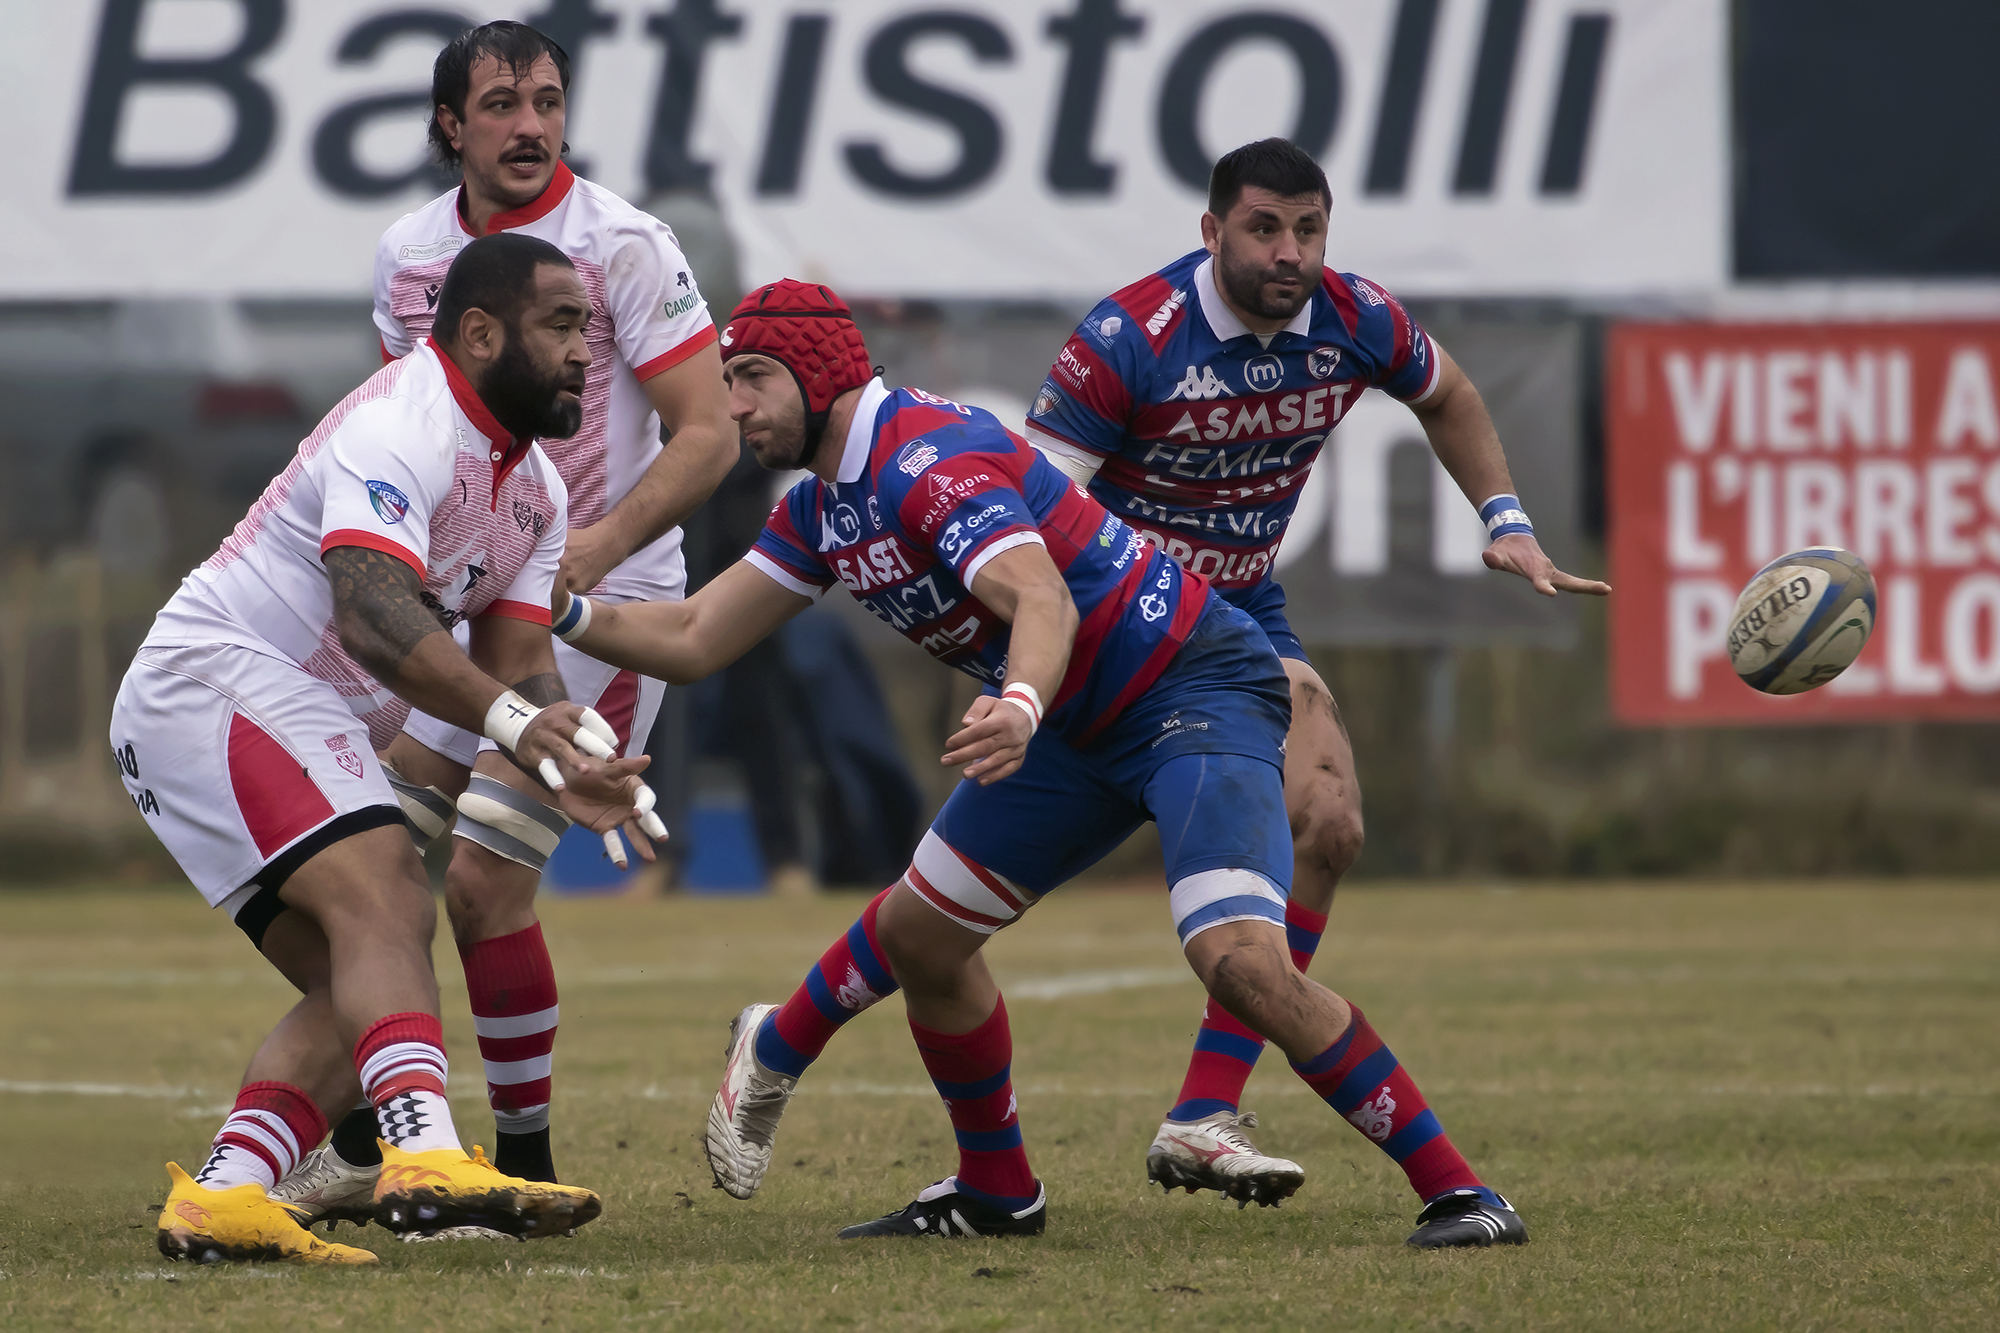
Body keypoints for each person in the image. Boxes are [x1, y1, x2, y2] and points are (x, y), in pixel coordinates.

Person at [565, 279, 1527, 1246]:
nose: (731, 404)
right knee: (921, 941)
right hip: (1072, 722)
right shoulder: (822, 506)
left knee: (1239, 963)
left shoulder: (924, 459)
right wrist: (561, 608)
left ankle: (1461, 1192)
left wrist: (1018, 702)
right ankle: (995, 1189)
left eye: (753, 377)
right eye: (727, 380)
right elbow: (692, 635)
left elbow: (1042, 600)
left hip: (1189, 687)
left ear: (820, 375)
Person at [1016, 136, 1611, 1201]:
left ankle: (1202, 1110)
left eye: (1307, 228)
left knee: (1330, 822)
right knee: (950, 909)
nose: (1287, 252)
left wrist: (1505, 518)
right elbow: (1025, 507)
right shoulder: (1124, 338)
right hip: (1125, 618)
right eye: (1261, 227)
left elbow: (1449, 395)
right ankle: (791, 1030)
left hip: (1240, 607)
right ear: (1210, 232)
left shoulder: (1354, 315)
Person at [114, 233, 660, 1264]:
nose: (587, 352)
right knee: (393, 899)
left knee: (363, 980)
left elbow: (515, 657)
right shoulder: (404, 419)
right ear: (480, 332)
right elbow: (369, 613)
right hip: (213, 685)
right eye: (560, 325)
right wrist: (513, 721)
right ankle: (424, 1153)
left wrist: (567, 753)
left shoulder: (535, 486)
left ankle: (224, 1190)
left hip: (253, 715)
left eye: (587, 327)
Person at [274, 21, 734, 1222]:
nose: (529, 123)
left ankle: (521, 1170)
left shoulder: (625, 245)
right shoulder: (408, 256)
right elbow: (409, 421)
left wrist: (585, 555)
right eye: (500, 104)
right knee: (374, 868)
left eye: (546, 100)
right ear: (451, 127)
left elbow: (709, 433)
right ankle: (378, 1143)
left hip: (599, 605)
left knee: (481, 885)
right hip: (476, 597)